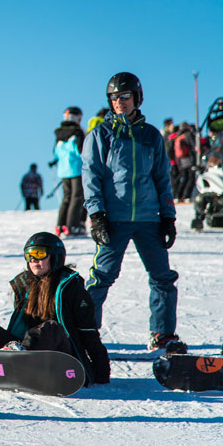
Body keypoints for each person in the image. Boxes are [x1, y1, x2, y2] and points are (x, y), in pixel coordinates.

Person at [82, 72, 183, 351]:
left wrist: (168, 217)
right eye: (114, 98)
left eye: (124, 97)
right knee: (101, 277)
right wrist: (97, 215)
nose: (119, 102)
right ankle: (86, 332)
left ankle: (162, 334)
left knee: (163, 277)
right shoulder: (101, 134)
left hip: (149, 218)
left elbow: (162, 179)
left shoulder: (151, 136)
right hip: (114, 218)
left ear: (136, 98)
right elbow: (91, 177)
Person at [0, 232, 110, 386]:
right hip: (24, 351)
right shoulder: (25, 286)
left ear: (55, 256)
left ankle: (15, 358)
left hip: (62, 358)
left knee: (50, 328)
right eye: (29, 255)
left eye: (39, 254)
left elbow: (89, 333)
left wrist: (100, 375)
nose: (33, 259)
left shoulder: (73, 289)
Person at [50, 106, 86, 236]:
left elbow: (56, 152)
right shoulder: (77, 132)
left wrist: (54, 161)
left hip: (63, 170)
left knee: (67, 197)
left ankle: (60, 225)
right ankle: (73, 225)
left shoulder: (59, 133)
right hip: (77, 168)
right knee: (77, 197)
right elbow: (81, 151)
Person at [173, 122, 196, 202]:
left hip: (180, 160)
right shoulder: (188, 134)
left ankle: (177, 195)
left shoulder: (178, 135)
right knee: (190, 178)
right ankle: (186, 196)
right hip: (188, 159)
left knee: (184, 178)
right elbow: (193, 146)